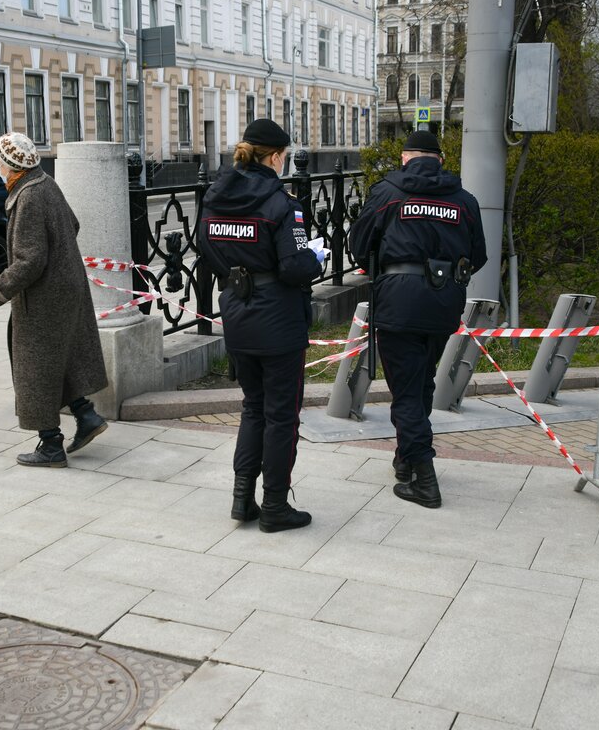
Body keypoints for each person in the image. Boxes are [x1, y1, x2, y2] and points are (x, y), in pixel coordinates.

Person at [348, 130, 487, 508]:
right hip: (444, 303)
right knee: (422, 382)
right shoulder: (464, 200)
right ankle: (405, 459)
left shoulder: (389, 192)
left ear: (406, 158)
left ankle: (425, 480)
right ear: (440, 161)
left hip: (398, 302)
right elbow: (480, 255)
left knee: (407, 392)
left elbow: (358, 246)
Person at [197, 119, 324, 532]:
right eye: (284, 156)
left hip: (237, 312)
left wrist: (239, 278)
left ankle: (241, 500)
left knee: (253, 408)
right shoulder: (284, 205)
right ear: (274, 156)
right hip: (279, 319)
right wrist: (315, 259)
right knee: (281, 415)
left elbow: (207, 250)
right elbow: (294, 265)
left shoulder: (215, 197)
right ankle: (274, 506)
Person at [0, 132, 109, 467]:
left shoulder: (29, 196)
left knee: (35, 366)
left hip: (47, 296)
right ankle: (86, 415)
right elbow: (71, 225)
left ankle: (50, 445)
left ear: (9, 165)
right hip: (65, 287)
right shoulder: (44, 182)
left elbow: (30, 260)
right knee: (57, 358)